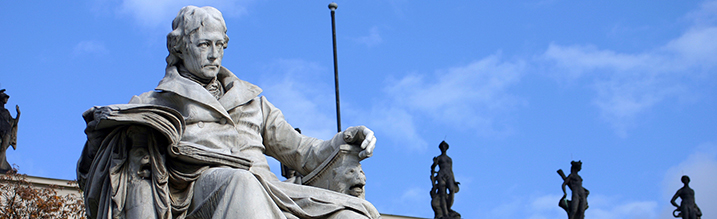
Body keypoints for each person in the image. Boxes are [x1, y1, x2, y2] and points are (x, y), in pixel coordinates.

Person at [78, 6, 379, 219]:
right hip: (198, 192)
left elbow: (303, 152)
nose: (214, 54)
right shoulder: (152, 103)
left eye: (220, 45)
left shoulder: (252, 101)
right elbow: (97, 171)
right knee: (241, 183)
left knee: (354, 213)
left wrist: (348, 138)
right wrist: (97, 141)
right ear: (180, 46)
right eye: (204, 44)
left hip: (272, 191)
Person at [430, 141, 460, 219]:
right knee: (442, 194)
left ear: (446, 148)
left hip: (449, 175)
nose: (443, 148)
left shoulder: (449, 159)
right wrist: (434, 163)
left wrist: (454, 180)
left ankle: (448, 208)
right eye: (442, 147)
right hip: (441, 175)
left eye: (445, 147)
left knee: (452, 190)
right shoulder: (439, 158)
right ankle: (445, 213)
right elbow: (433, 168)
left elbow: (451, 169)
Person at [0, 89, 20, 174]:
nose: (6, 100)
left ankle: (2, 166)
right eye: (5, 98)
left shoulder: (6, 111)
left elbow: (13, 122)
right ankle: (2, 166)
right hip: (1, 131)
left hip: (7, 132)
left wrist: (18, 114)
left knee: (3, 148)